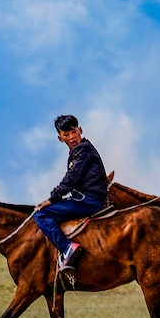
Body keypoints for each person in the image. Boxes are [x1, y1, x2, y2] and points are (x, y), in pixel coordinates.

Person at [34, 114, 109, 271]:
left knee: (41, 215)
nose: (71, 137)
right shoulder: (81, 151)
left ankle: (66, 247)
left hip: (88, 202)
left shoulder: (83, 150)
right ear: (60, 138)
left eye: (73, 131)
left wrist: (52, 199)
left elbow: (71, 179)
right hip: (87, 199)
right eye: (66, 134)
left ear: (80, 130)